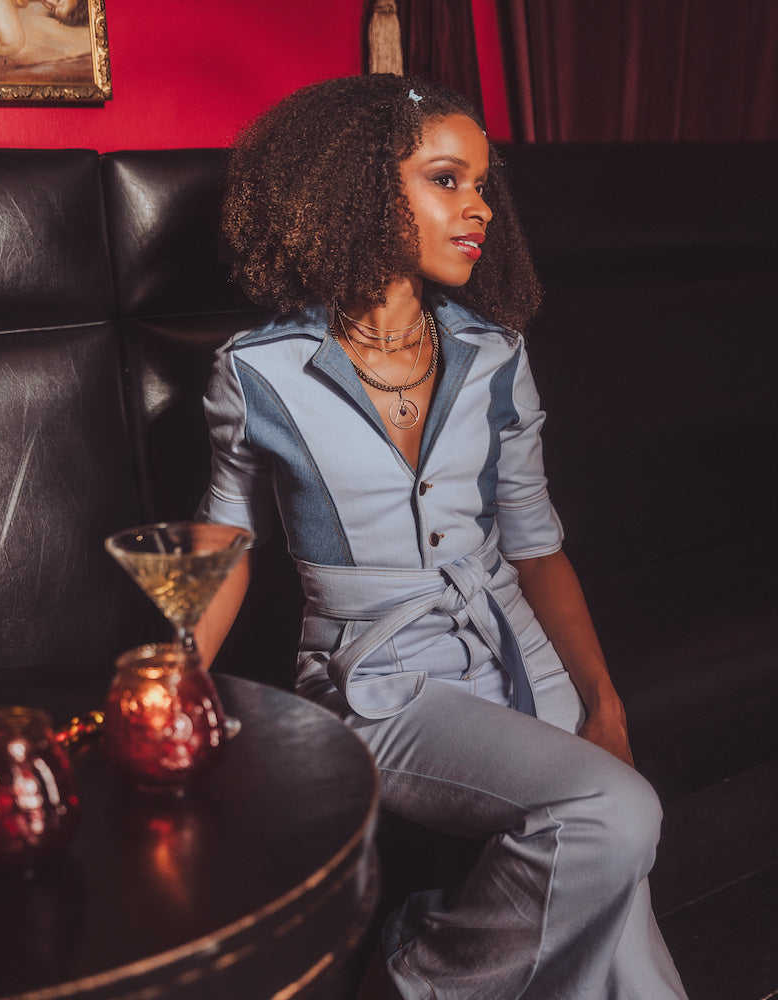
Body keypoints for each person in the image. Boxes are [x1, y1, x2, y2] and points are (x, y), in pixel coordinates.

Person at [195, 73, 688, 999]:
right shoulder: (260, 374)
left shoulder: (496, 352)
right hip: (376, 680)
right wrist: (163, 692)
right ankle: (415, 977)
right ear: (364, 190)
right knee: (616, 817)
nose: (482, 208)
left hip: (515, 645)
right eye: (449, 180)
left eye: (483, 183)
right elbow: (220, 543)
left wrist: (602, 698)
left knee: (613, 871)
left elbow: (535, 547)